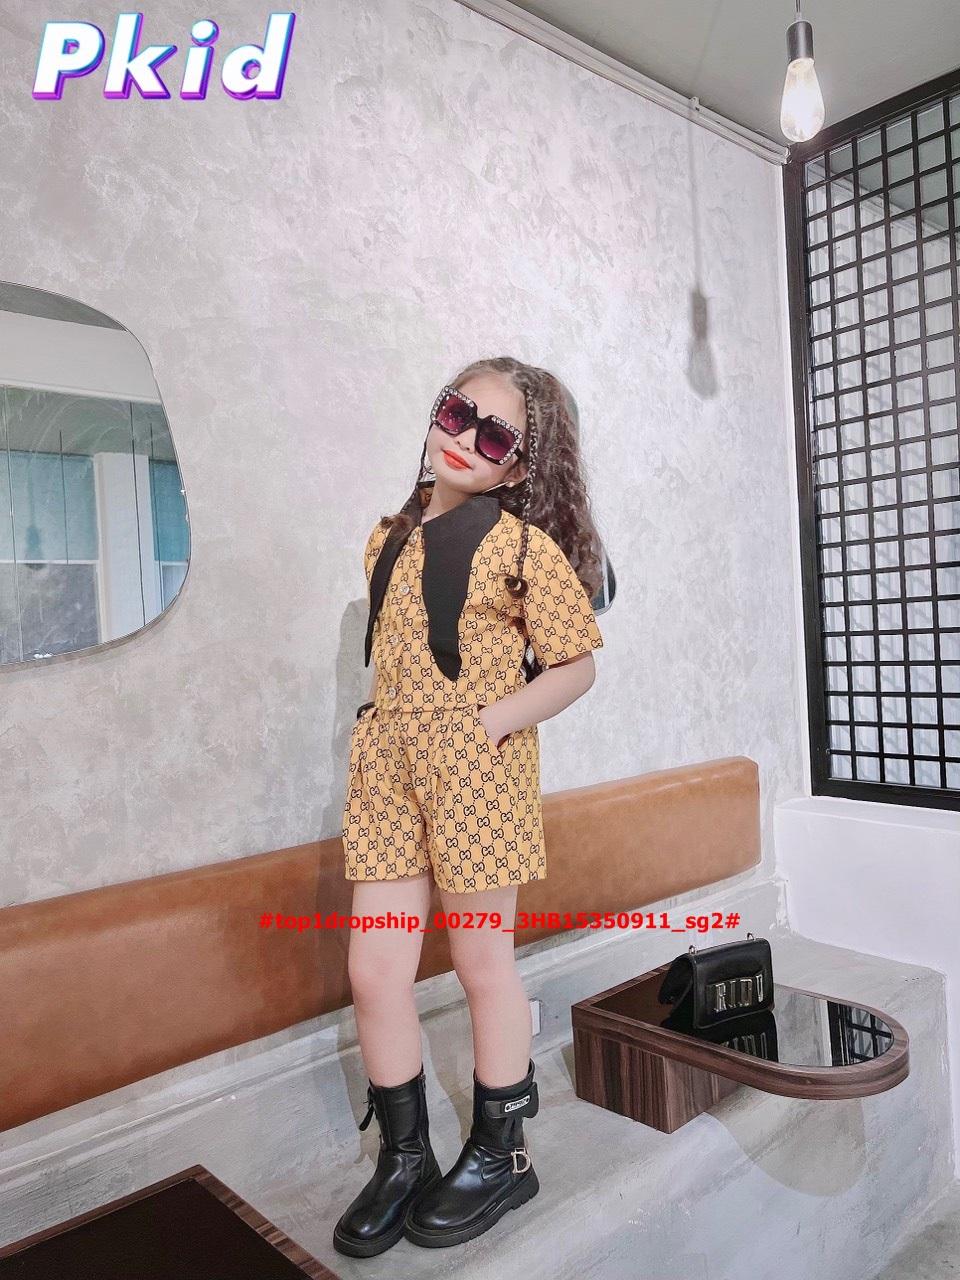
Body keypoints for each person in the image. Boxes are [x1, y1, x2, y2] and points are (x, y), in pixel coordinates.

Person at [333, 356, 605, 1256]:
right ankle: (404, 1156)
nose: (464, 439)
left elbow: (575, 667)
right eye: (456, 413)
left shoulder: (525, 551)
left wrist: (486, 725)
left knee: (481, 962)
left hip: (477, 773)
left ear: (517, 464)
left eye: (494, 435)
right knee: (375, 970)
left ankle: (501, 1155)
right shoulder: (386, 538)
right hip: (388, 768)